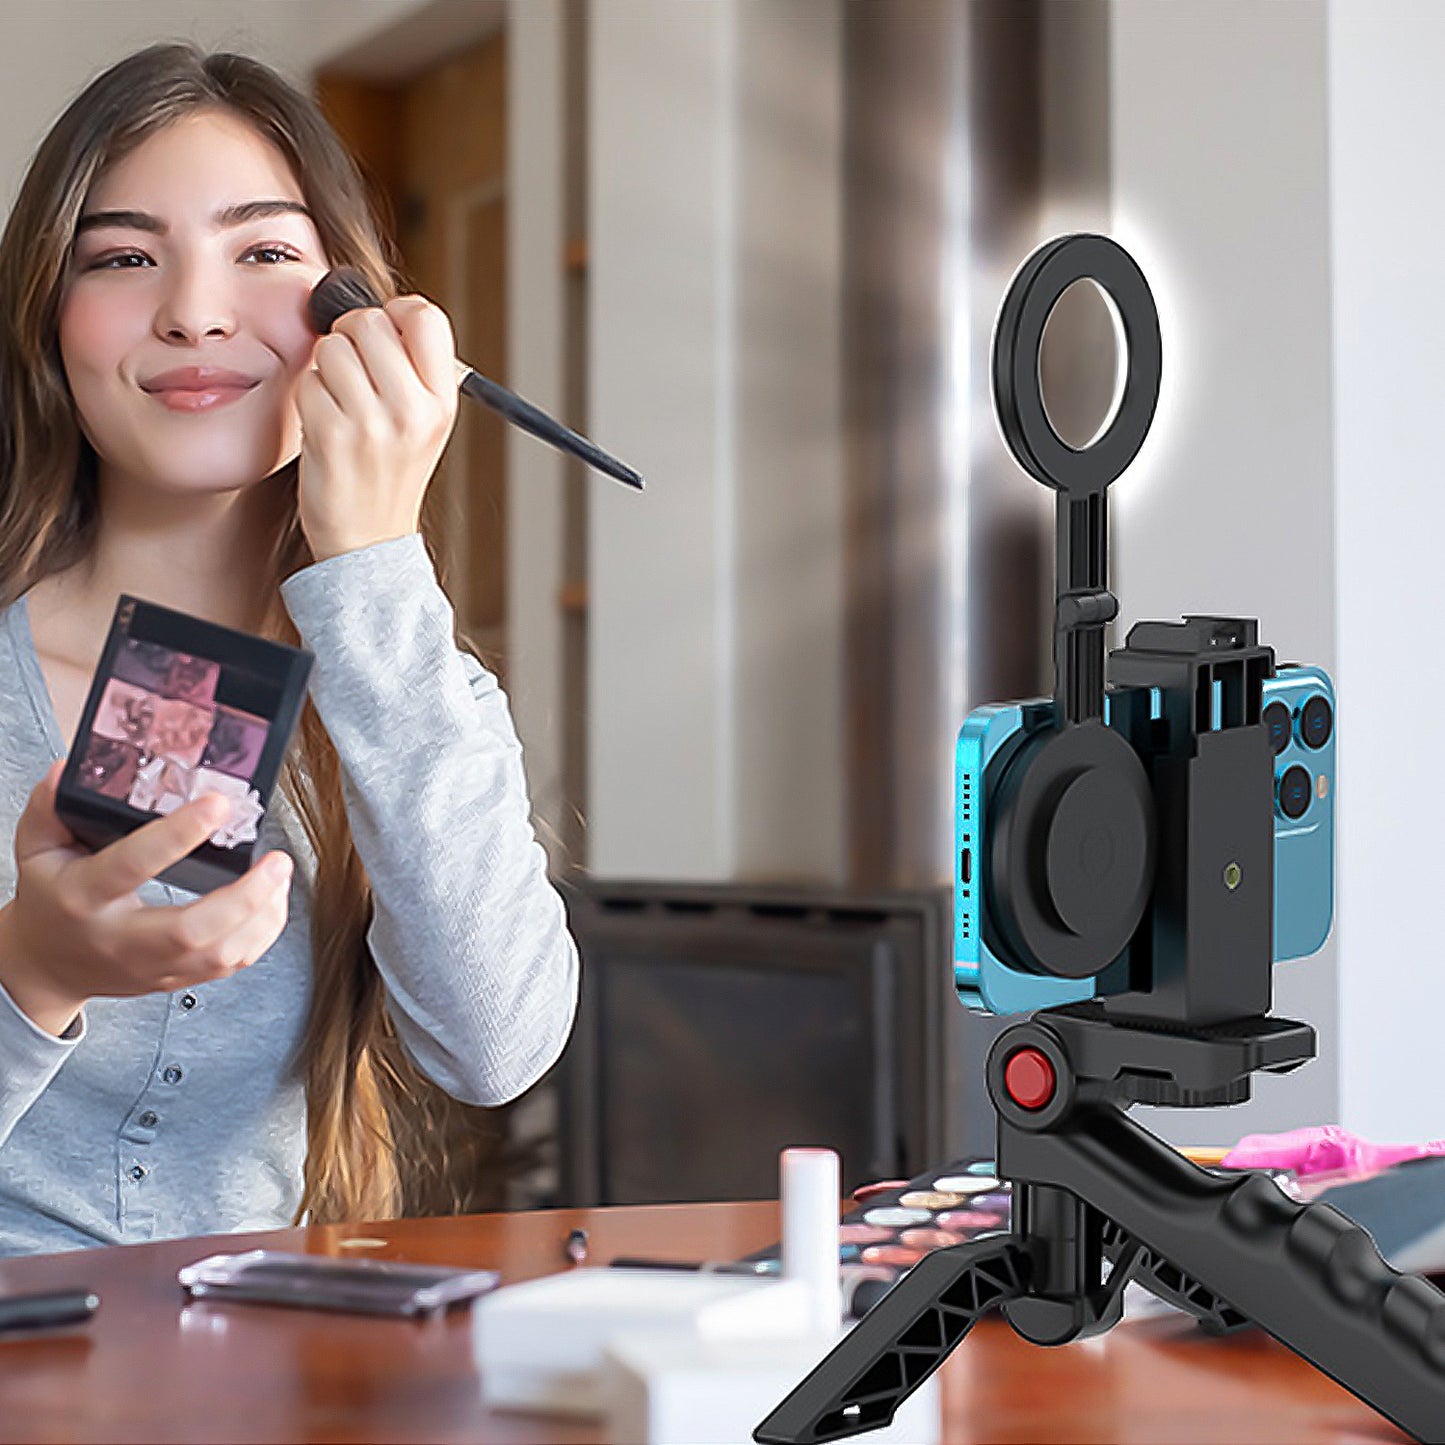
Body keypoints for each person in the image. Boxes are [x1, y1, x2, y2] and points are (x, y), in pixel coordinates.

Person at [0, 42, 579, 1253]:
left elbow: (495, 1049)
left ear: (354, 319)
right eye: (122, 257)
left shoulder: (405, 679)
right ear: (48, 318)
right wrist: (30, 975)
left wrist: (371, 566)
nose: (195, 311)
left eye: (263, 252)